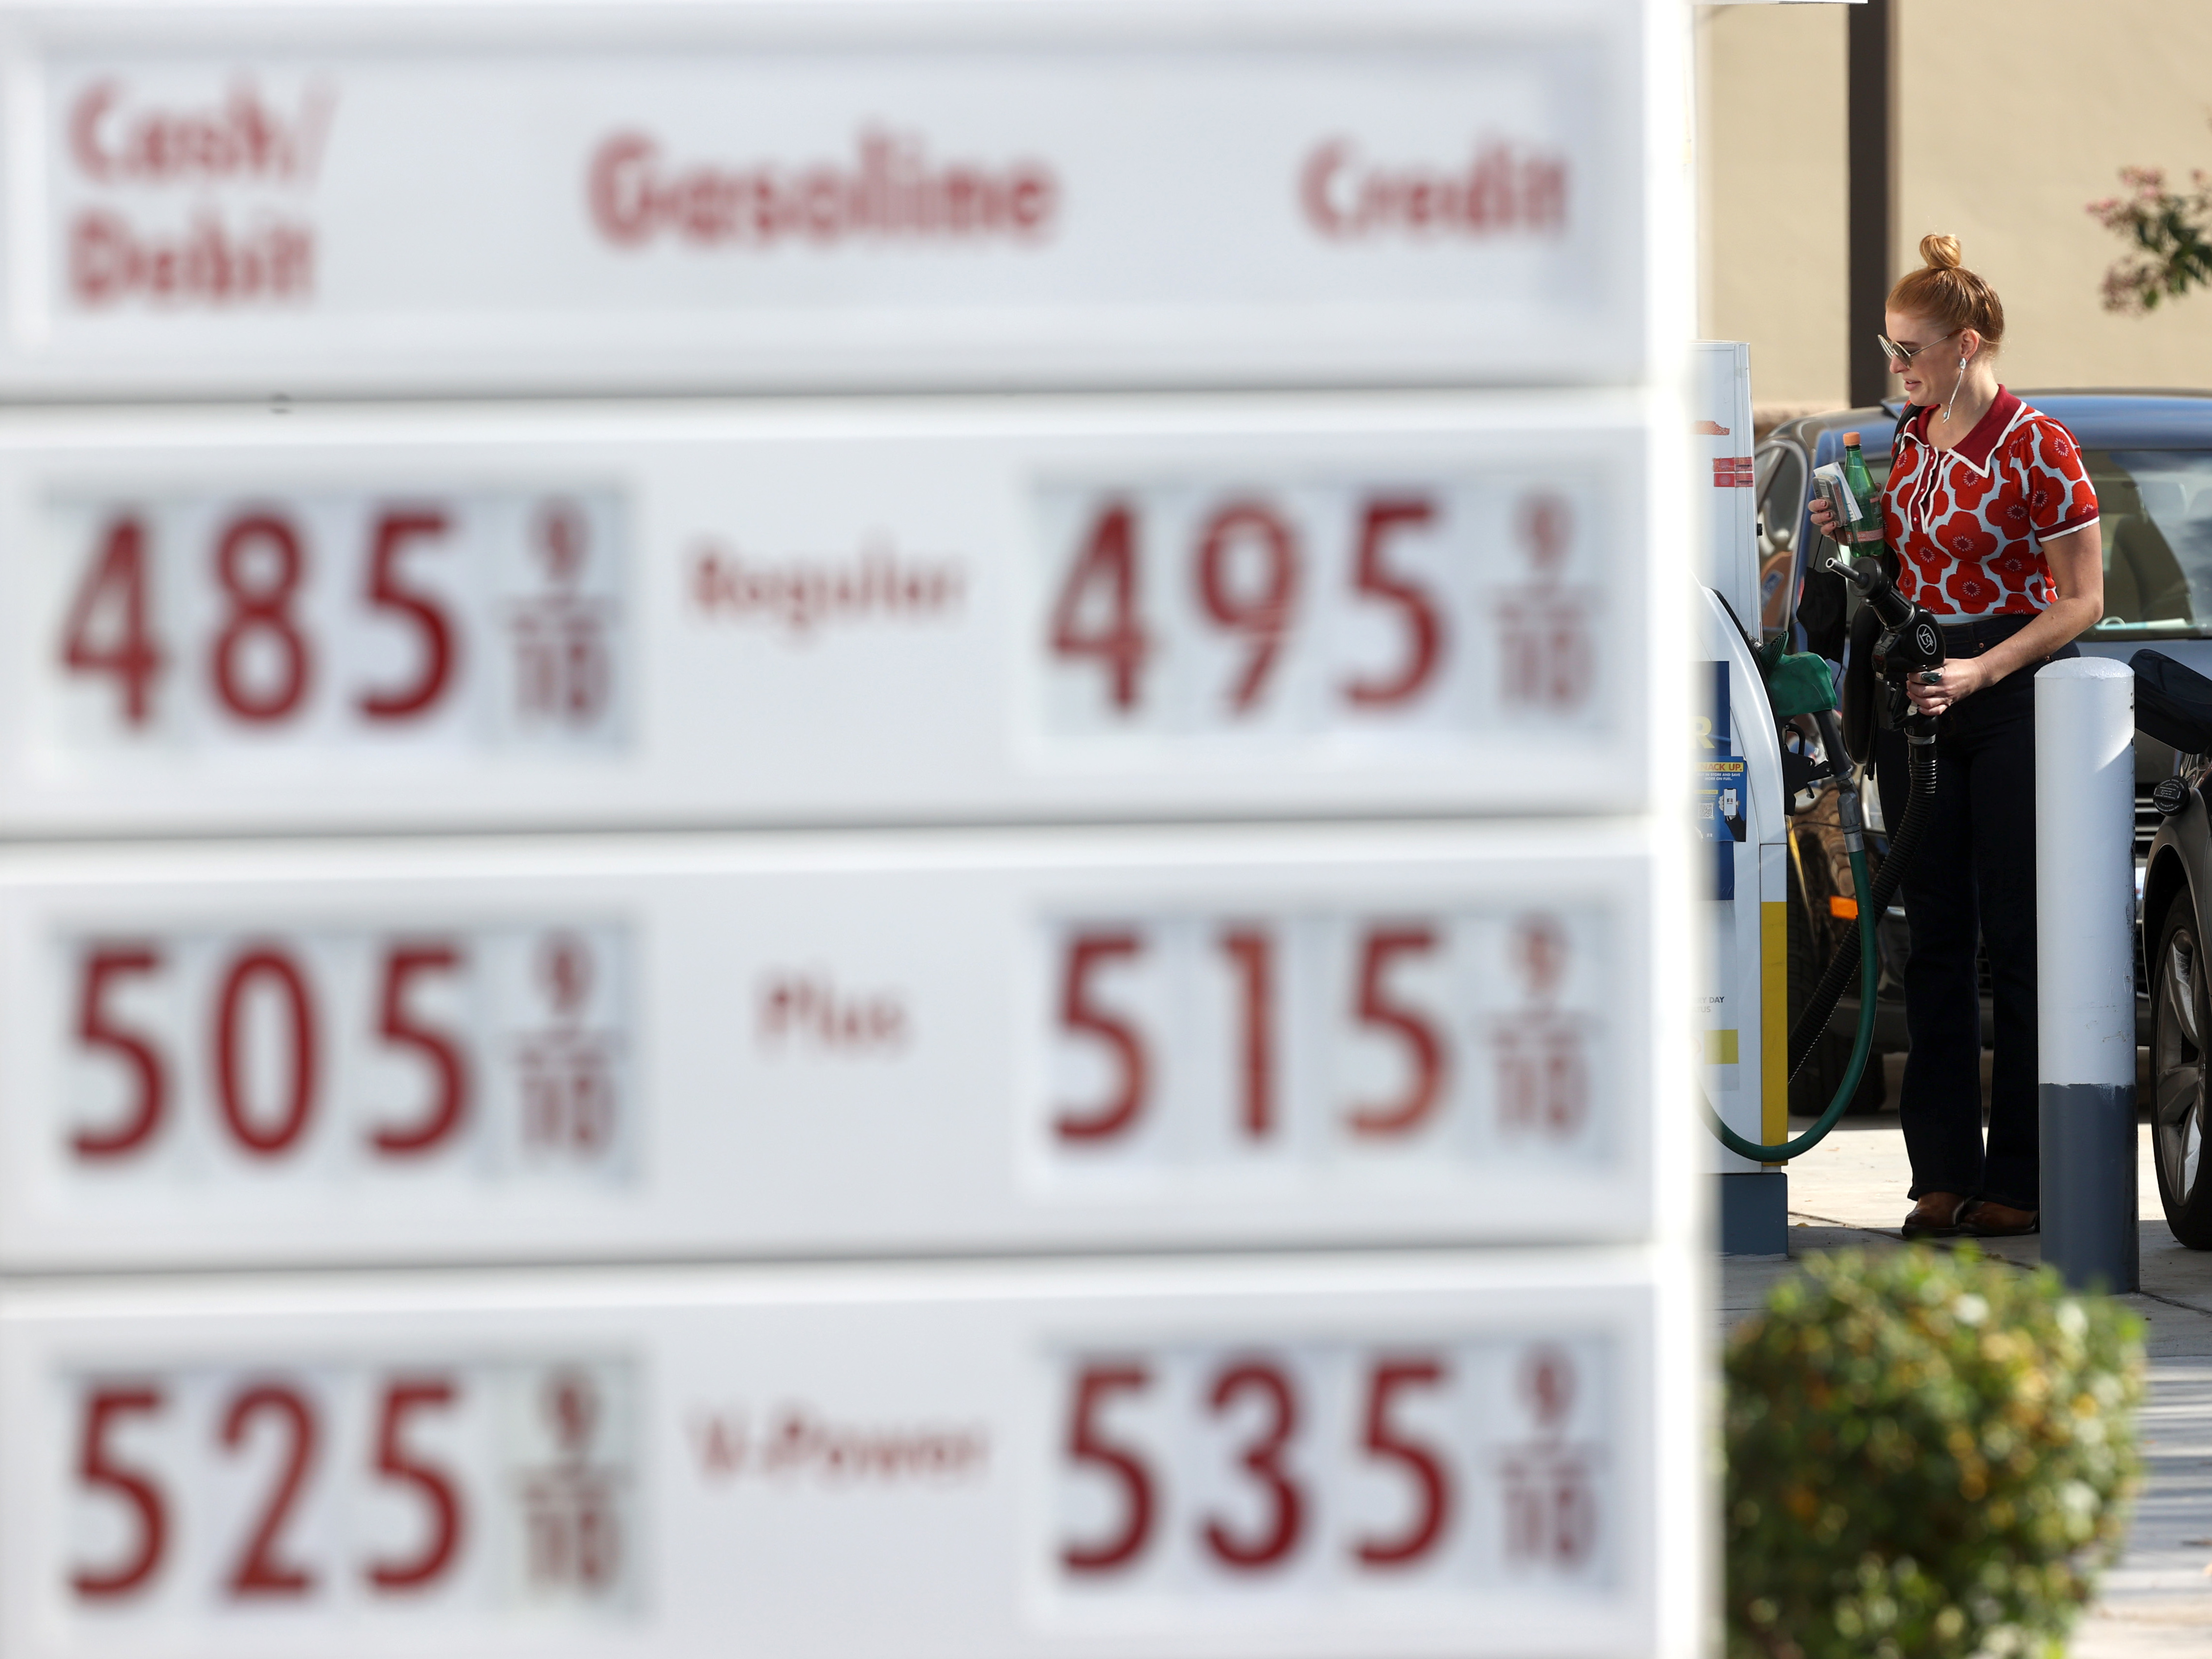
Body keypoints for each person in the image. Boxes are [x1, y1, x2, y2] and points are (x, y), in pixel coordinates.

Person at [1807, 233, 2103, 1240]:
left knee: (2017, 938)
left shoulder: (2037, 446)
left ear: (1964, 342)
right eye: (1891, 348)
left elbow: (2082, 601)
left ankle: (2017, 1178)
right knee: (1932, 936)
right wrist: (1854, 537)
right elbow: (1910, 558)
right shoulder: (1913, 436)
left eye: (1910, 349)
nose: (1897, 367)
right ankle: (1939, 1173)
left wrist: (1984, 669)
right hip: (1919, 693)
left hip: (2010, 691)